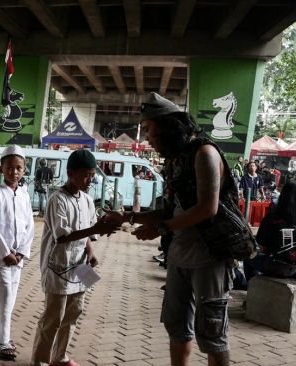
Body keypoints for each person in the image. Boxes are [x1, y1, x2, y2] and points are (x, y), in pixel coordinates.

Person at [103, 92, 237, 366]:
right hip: (179, 256)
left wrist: (161, 228)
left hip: (209, 257)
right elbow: (170, 209)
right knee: (176, 329)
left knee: (213, 335)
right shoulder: (175, 159)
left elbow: (207, 208)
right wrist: (127, 216)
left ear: (168, 126)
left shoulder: (205, 153)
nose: (147, 137)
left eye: (150, 129)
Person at [31, 150, 117, 366]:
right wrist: (94, 228)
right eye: (86, 175)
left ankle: (60, 357)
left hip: (80, 267)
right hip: (57, 266)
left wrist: (91, 252)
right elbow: (62, 236)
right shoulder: (57, 200)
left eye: (92, 174)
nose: (91, 180)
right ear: (71, 173)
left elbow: (87, 233)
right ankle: (40, 361)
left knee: (74, 313)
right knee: (53, 318)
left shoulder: (87, 200)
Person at [0, 145, 34, 360]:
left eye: (18, 168)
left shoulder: (24, 195)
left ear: (24, 170)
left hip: (17, 259)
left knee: (7, 298)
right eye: (10, 168)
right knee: (2, 296)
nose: (14, 172)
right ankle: (3, 341)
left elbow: (29, 226)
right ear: (2, 168)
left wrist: (21, 251)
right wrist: (5, 252)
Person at [243, 181, 296, 282]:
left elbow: (261, 245)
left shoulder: (271, 218)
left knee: (247, 257)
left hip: (276, 266)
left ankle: (251, 287)